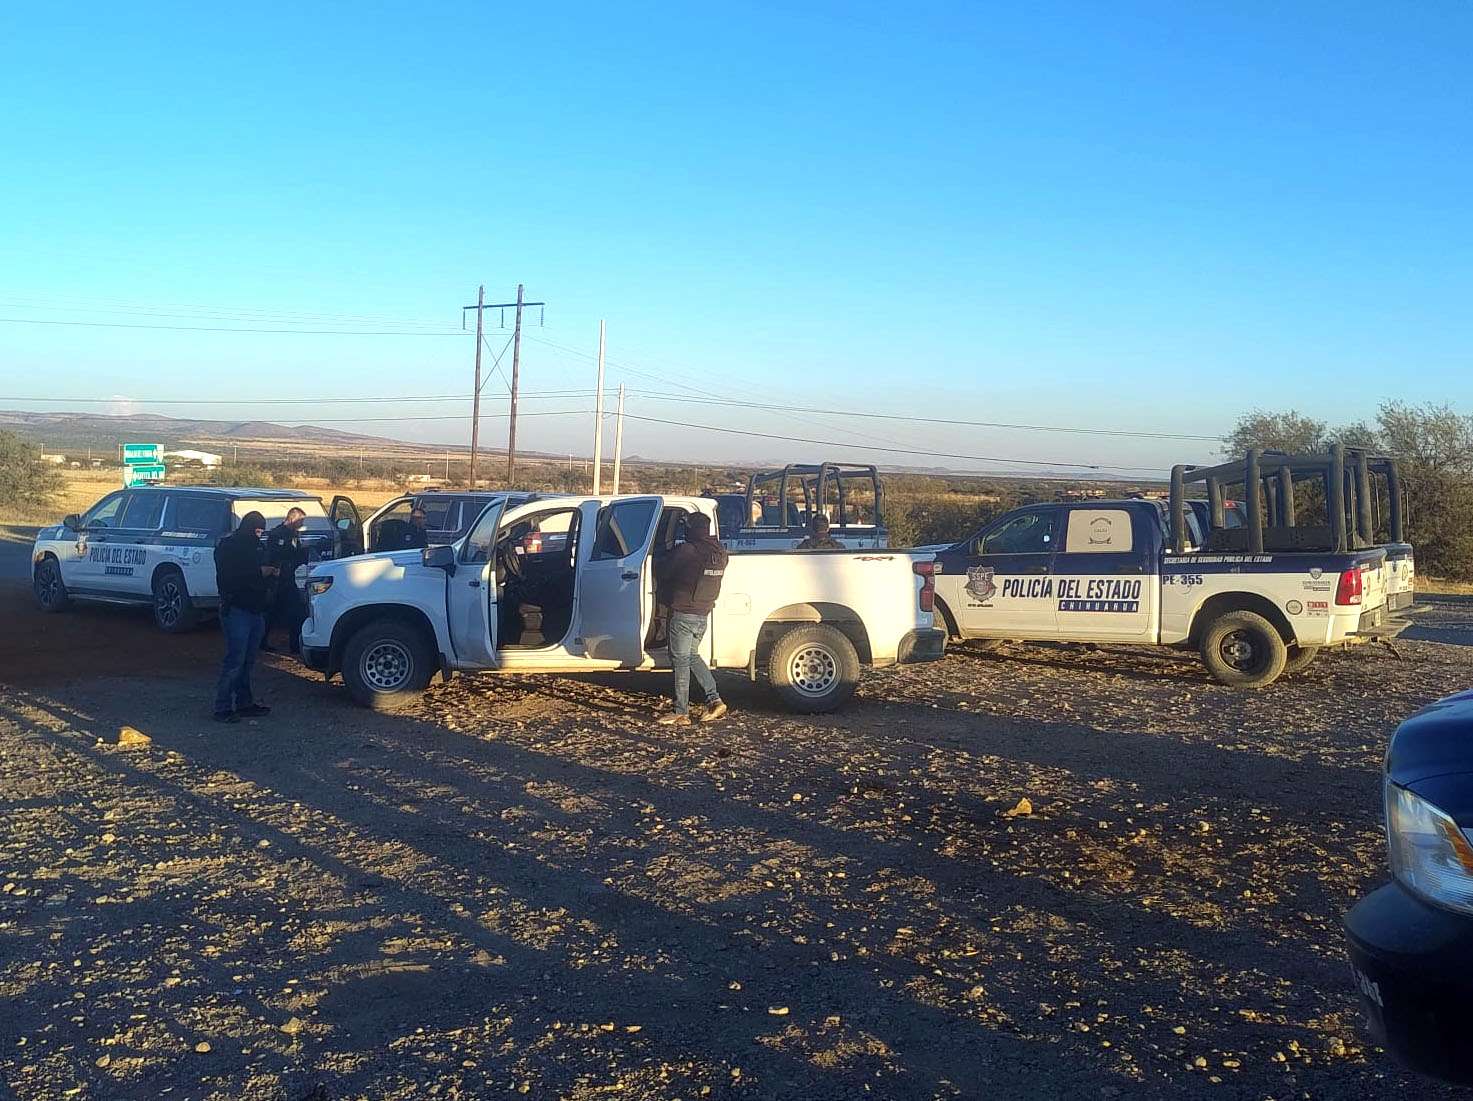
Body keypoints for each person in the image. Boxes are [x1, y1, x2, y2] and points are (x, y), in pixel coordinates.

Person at [655, 512, 729, 726]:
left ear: (690, 529)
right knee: (692, 656)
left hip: (683, 614)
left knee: (680, 661)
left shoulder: (687, 550)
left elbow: (663, 572)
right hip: (703, 614)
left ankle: (681, 712)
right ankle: (714, 700)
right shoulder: (719, 552)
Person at [213, 511, 277, 723]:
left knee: (247, 661)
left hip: (255, 610)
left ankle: (244, 703)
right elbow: (228, 577)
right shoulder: (229, 546)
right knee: (235, 661)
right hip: (236, 609)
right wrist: (260, 572)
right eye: (257, 529)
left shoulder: (257, 546)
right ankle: (222, 707)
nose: (259, 534)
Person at [262, 507, 309, 654]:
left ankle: (294, 645)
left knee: (296, 612)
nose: (302, 524)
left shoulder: (294, 534)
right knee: (271, 613)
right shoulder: (277, 534)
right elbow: (272, 555)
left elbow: (295, 554)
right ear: (292, 519)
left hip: (289, 579)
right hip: (277, 580)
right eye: (300, 521)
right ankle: (261, 642)